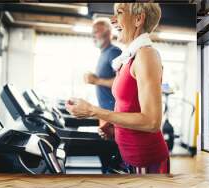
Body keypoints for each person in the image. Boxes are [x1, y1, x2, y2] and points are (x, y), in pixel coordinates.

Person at [66, 3, 169, 174]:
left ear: (138, 19)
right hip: (128, 157)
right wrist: (116, 126)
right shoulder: (129, 58)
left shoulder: (146, 55)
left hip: (146, 159)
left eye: (119, 13)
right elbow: (130, 106)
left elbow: (152, 122)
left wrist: (93, 111)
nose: (113, 20)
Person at [84, 18, 122, 112]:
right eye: (92, 33)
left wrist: (96, 80)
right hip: (105, 111)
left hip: (113, 113)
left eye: (96, 32)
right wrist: (93, 78)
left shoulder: (114, 52)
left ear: (108, 33)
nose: (93, 35)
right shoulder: (104, 53)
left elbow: (123, 82)